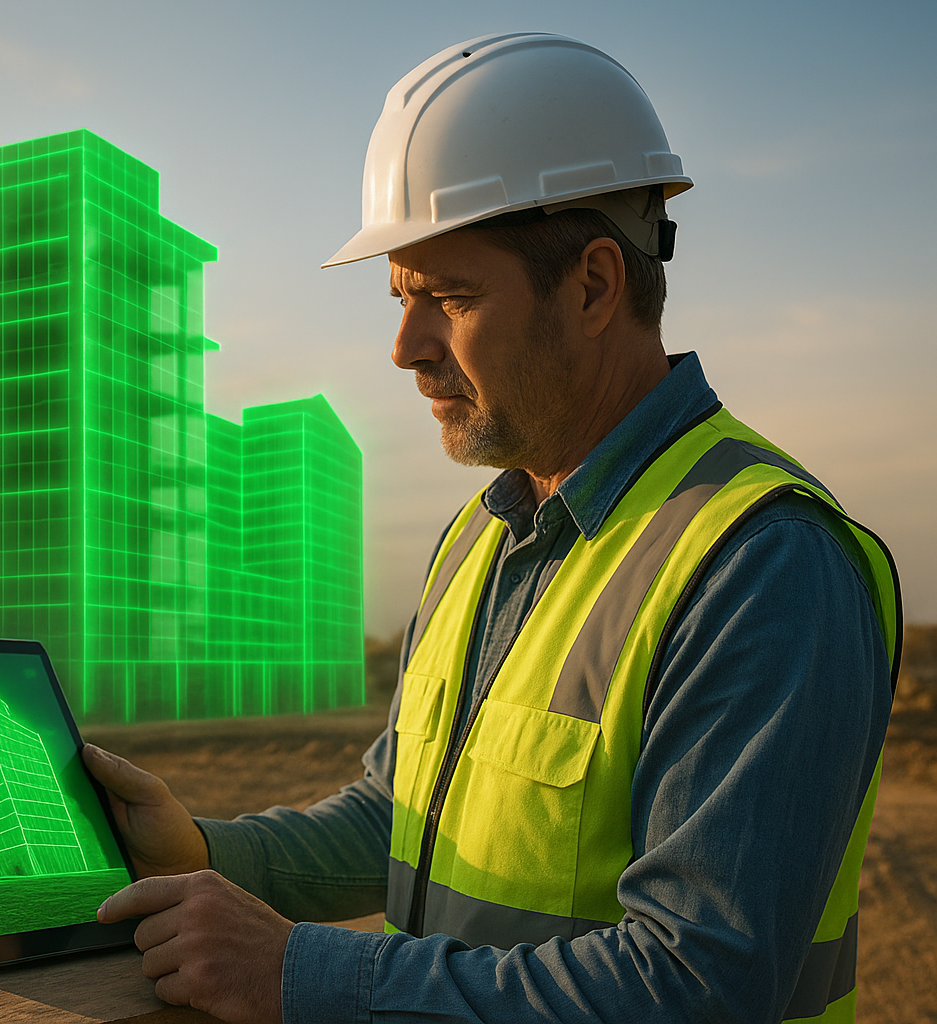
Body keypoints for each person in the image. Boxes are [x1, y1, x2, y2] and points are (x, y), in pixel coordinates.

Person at [87, 32, 901, 1024]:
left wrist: (298, 974)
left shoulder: (761, 561)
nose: (404, 347)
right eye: (400, 296)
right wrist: (210, 851)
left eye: (449, 296)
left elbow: (701, 985)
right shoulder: (480, 539)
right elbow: (400, 820)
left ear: (596, 286)